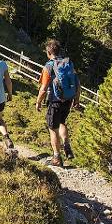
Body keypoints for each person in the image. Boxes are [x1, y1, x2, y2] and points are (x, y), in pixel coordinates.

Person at [35, 39, 80, 167]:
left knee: (53, 129)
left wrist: (38, 102)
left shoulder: (49, 66)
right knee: (62, 122)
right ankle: (66, 145)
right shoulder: (68, 63)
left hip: (55, 101)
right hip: (68, 99)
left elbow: (43, 88)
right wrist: (76, 99)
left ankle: (56, 158)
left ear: (49, 52)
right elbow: (77, 83)